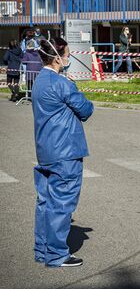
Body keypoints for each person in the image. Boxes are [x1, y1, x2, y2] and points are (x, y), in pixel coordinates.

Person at [32, 37, 94, 267]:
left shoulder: (39, 81)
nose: (68, 58)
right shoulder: (62, 83)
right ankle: (57, 255)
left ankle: (42, 250)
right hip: (66, 150)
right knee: (62, 204)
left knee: (45, 202)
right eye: (66, 54)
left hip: (46, 149)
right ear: (57, 57)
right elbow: (86, 109)